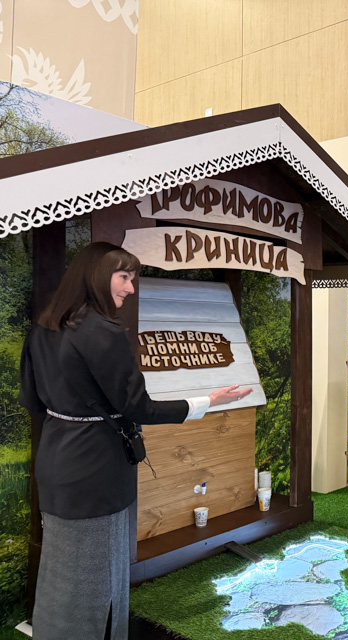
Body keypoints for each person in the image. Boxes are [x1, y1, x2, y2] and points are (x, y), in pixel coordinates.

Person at [18, 242, 252, 640]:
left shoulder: (43, 328)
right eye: (124, 277)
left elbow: (32, 400)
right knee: (101, 577)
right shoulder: (104, 333)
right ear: (97, 276)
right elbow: (139, 407)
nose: (130, 288)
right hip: (98, 471)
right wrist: (208, 402)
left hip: (56, 462)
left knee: (61, 571)